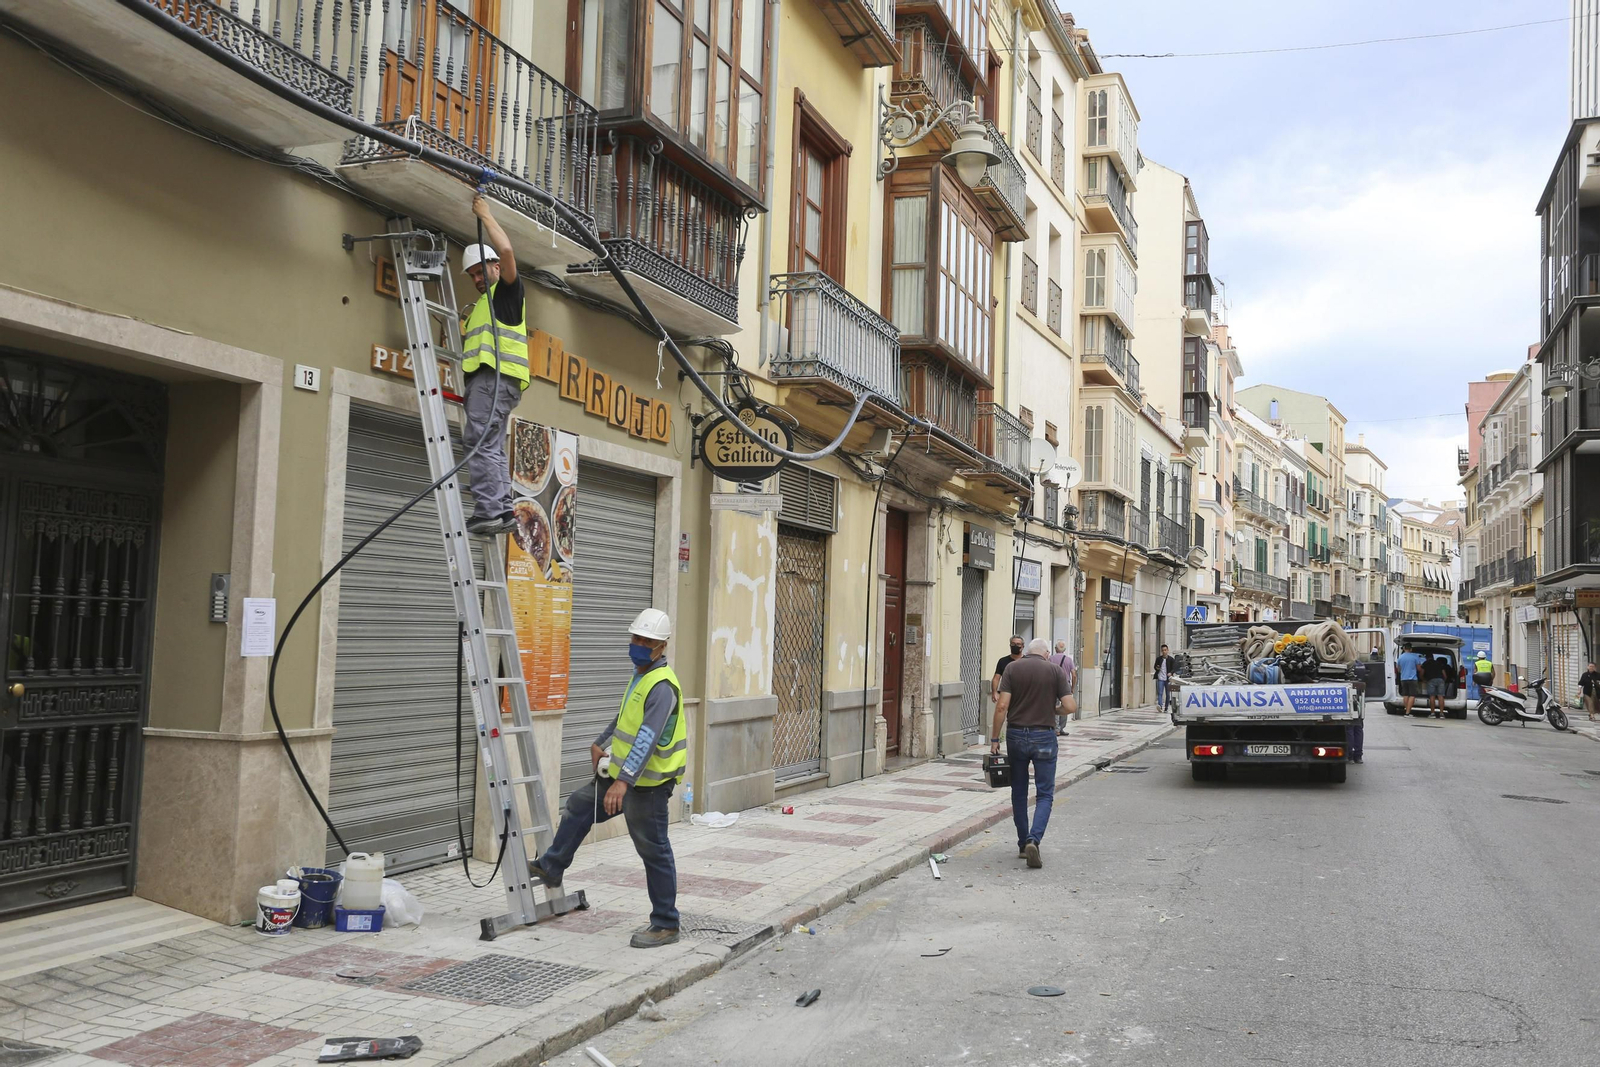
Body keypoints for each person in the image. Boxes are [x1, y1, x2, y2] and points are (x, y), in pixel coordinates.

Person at [528, 608, 685, 948]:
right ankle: (552, 865)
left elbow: (646, 736)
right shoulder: (641, 676)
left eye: (648, 641)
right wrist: (601, 742)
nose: (639, 645)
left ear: (662, 646)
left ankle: (666, 924)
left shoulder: (662, 686)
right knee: (580, 805)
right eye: (636, 638)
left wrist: (623, 782)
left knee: (653, 849)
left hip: (649, 786)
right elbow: (625, 717)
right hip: (624, 777)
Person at [458, 195, 531, 536]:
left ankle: (487, 510)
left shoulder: (506, 293)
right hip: (500, 384)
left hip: (492, 381)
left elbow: (507, 251)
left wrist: (486, 214)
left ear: (496, 268)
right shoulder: (484, 305)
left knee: (479, 444)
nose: (476, 278)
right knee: (493, 448)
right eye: (471, 274)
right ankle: (503, 511)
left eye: (480, 270)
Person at [990, 638, 1071, 870]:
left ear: (1026, 651)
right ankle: (1034, 839)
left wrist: (995, 739)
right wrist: (1053, 709)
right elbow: (1070, 706)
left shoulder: (1012, 668)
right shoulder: (1055, 670)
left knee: (1019, 791)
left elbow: (1002, 706)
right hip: (1044, 736)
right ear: (1046, 653)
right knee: (1045, 793)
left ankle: (1022, 843)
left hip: (1016, 736)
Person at [1047, 640, 1076, 736]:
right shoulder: (1069, 660)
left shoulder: (1051, 659)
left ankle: (1056, 729)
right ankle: (1062, 728)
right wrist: (1072, 687)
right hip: (1065, 684)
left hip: (1052, 684)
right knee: (1065, 706)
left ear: (1055, 649)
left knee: (1053, 705)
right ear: (1065, 650)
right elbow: (1074, 674)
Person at [991, 636, 1025, 707]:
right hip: (1006, 694)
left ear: (1022, 646)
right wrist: (994, 692)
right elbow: (996, 678)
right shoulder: (1003, 661)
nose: (1015, 646)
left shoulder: (1027, 661)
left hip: (1023, 696)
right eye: (1013, 644)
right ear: (1010, 645)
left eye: (1018, 644)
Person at [1396, 645, 1423, 715]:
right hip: (1412, 679)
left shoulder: (1400, 657)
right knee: (1412, 695)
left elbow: (1398, 669)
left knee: (1405, 695)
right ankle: (1408, 712)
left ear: (1404, 648)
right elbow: (1419, 669)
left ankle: (1406, 711)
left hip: (1403, 678)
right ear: (1411, 649)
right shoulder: (1415, 657)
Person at [1421, 654, 1448, 719]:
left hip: (1431, 680)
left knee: (1432, 696)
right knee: (1440, 696)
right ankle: (1441, 714)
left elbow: (1421, 673)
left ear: (1426, 658)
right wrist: (1444, 680)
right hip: (1440, 680)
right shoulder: (1438, 663)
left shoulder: (1425, 663)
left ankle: (1432, 713)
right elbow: (1444, 674)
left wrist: (1423, 679)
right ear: (1433, 657)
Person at [1152, 644, 1178, 710]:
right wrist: (1157, 668)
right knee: (1160, 693)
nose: (1164, 651)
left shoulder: (1171, 659)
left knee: (1168, 694)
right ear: (1161, 651)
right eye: (1163, 650)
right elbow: (1155, 667)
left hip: (1168, 679)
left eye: (1165, 650)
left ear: (1167, 650)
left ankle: (1166, 707)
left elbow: (1174, 668)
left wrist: (1171, 673)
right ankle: (1160, 705)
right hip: (1160, 678)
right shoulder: (1158, 659)